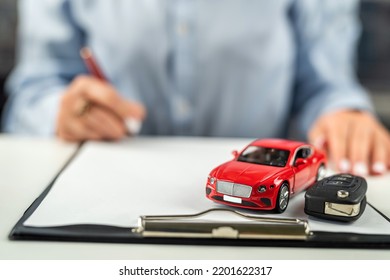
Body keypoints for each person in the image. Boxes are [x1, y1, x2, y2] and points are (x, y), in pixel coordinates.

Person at [2, 0, 390, 176]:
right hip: (103, 186)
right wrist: (62, 111)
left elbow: (324, 87)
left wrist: (343, 113)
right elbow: (31, 94)